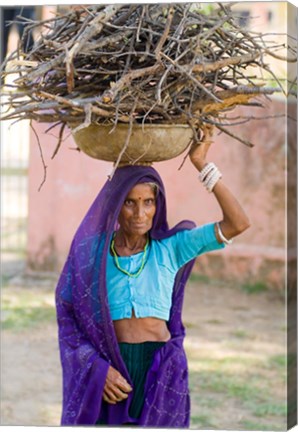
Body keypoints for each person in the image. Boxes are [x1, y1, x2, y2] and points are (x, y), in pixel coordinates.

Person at [55, 126, 250, 426]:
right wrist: (95, 367)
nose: (139, 213)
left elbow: (238, 222)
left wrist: (201, 163)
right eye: (130, 202)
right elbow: (67, 312)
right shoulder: (92, 253)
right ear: (115, 205)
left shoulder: (171, 248)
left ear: (158, 205)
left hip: (161, 370)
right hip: (110, 370)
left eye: (149, 202)